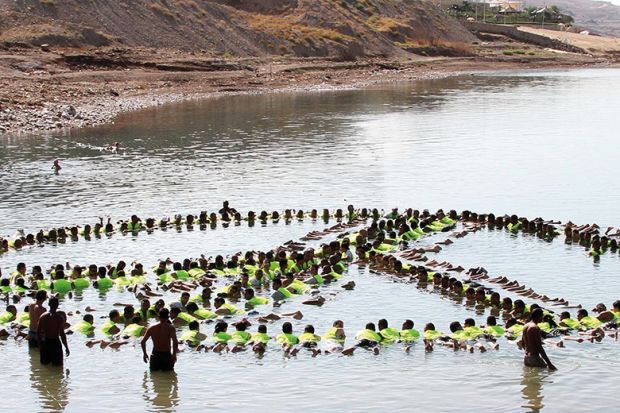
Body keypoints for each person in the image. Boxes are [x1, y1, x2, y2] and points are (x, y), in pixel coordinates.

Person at [37, 297, 70, 366]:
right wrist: (66, 347)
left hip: (45, 342)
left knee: (45, 366)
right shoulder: (59, 318)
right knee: (58, 366)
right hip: (55, 343)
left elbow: (38, 332)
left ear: (49, 304)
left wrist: (40, 345)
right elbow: (62, 334)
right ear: (57, 305)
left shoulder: (42, 316)